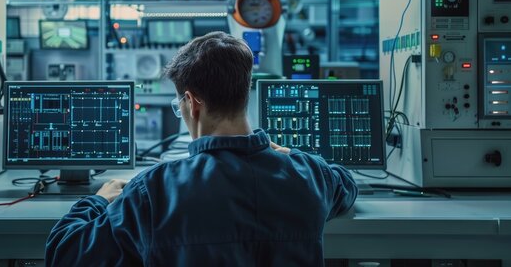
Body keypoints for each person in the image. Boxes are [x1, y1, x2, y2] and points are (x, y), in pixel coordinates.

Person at [45, 31, 357, 266]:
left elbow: (64, 254)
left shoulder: (153, 190)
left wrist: (97, 201)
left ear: (192, 103)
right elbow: (346, 184)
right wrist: (291, 155)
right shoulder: (310, 176)